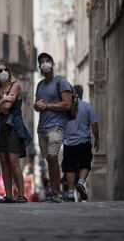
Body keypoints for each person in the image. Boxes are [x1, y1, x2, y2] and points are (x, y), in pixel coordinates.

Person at [0, 62, 32, 203]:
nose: (3, 72)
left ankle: (21, 195)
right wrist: (4, 100)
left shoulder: (15, 85)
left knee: (13, 161)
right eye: (0, 70)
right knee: (4, 162)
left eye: (5, 69)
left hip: (13, 126)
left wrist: (1, 103)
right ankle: (8, 195)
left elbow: (7, 106)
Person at [34, 53, 72, 203]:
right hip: (42, 127)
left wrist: (48, 106)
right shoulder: (39, 85)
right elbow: (38, 105)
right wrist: (36, 106)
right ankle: (54, 192)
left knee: (52, 156)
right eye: (41, 62)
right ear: (39, 67)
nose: (44, 63)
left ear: (52, 63)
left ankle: (58, 191)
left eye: (47, 60)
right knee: (50, 161)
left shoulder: (61, 82)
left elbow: (67, 104)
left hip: (57, 126)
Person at [62, 85, 99, 202]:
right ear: (82, 93)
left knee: (70, 168)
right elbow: (94, 125)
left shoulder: (66, 107)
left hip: (68, 143)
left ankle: (71, 194)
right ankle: (81, 182)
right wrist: (97, 138)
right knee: (85, 164)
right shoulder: (88, 107)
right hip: (83, 142)